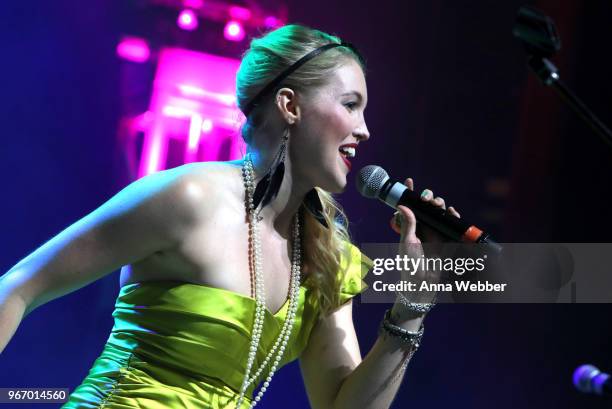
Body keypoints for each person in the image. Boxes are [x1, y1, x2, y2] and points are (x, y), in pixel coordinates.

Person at [0, 24, 460, 408]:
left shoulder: (328, 259)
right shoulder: (190, 198)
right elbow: (20, 285)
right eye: (350, 104)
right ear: (290, 105)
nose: (364, 129)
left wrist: (412, 308)